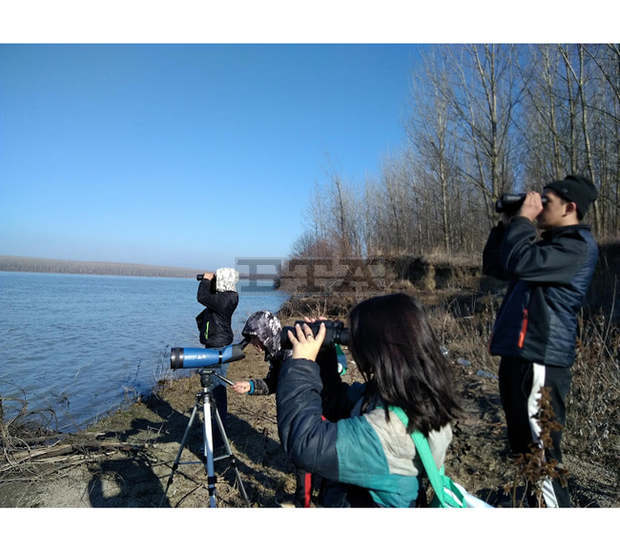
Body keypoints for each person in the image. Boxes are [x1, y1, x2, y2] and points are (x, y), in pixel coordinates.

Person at [276, 293, 461, 507]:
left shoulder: (390, 430)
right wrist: (325, 352)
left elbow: (305, 444)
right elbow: (336, 404)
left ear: (380, 350)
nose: (353, 346)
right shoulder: (411, 396)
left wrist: (301, 364)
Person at [482, 174, 599, 508]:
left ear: (570, 207)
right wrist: (507, 225)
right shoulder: (549, 246)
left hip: (541, 362)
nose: (538, 206)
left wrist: (522, 220)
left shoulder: (576, 247)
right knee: (525, 452)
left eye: (546, 200)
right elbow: (498, 265)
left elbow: (521, 261)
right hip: (520, 359)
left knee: (542, 457)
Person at [231, 310, 347, 507]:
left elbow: (330, 371)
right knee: (308, 461)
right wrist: (249, 386)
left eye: (256, 340)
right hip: (306, 412)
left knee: (305, 463)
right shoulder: (278, 351)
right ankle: (318, 497)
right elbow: (274, 383)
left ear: (266, 335)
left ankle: (304, 503)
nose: (255, 346)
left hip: (317, 411)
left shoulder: (294, 351)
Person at [196, 267, 239, 443]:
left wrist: (206, 280)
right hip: (217, 344)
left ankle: (217, 434)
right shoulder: (227, 297)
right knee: (216, 388)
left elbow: (202, 297)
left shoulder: (225, 299)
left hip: (216, 347)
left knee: (216, 389)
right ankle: (217, 429)